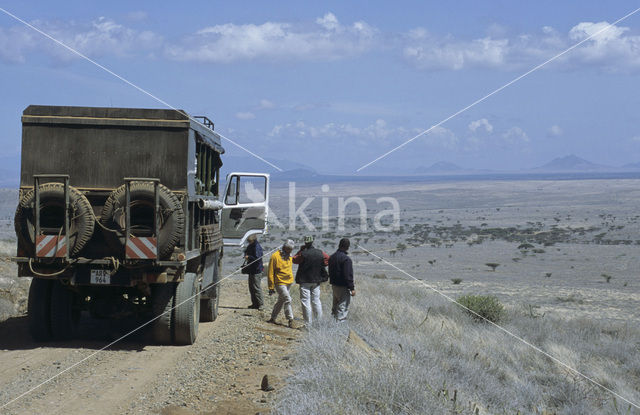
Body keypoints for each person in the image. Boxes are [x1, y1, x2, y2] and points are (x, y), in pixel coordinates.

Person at [292, 235, 329, 328]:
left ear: (305, 243)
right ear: (313, 242)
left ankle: (308, 325)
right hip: (316, 280)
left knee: (306, 301)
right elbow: (327, 259)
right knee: (316, 300)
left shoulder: (303, 253)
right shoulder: (320, 253)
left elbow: (294, 260)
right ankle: (319, 323)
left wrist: (300, 250)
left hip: (304, 281)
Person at [267, 239, 295, 328]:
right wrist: (271, 287)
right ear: (284, 247)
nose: (289, 251)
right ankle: (291, 320)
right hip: (279, 282)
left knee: (281, 300)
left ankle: (273, 318)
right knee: (288, 299)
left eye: (291, 249)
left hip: (289, 281)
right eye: (288, 249)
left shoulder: (290, 256)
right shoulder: (275, 256)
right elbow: (270, 272)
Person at [329, 238, 355, 321]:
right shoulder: (346, 259)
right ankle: (339, 329)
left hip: (334, 286)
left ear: (339, 245)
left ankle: (332, 324)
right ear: (347, 247)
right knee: (342, 308)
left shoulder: (332, 257)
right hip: (343, 287)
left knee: (335, 307)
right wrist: (352, 288)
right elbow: (348, 275)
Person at [243, 234, 264, 309]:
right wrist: (246, 254)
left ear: (253, 240)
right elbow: (246, 251)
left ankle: (261, 304)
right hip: (251, 269)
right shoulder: (250, 245)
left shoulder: (257, 247)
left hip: (257, 270)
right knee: (251, 287)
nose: (249, 243)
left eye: (250, 241)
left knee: (256, 287)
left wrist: (249, 257)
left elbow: (257, 258)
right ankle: (254, 304)